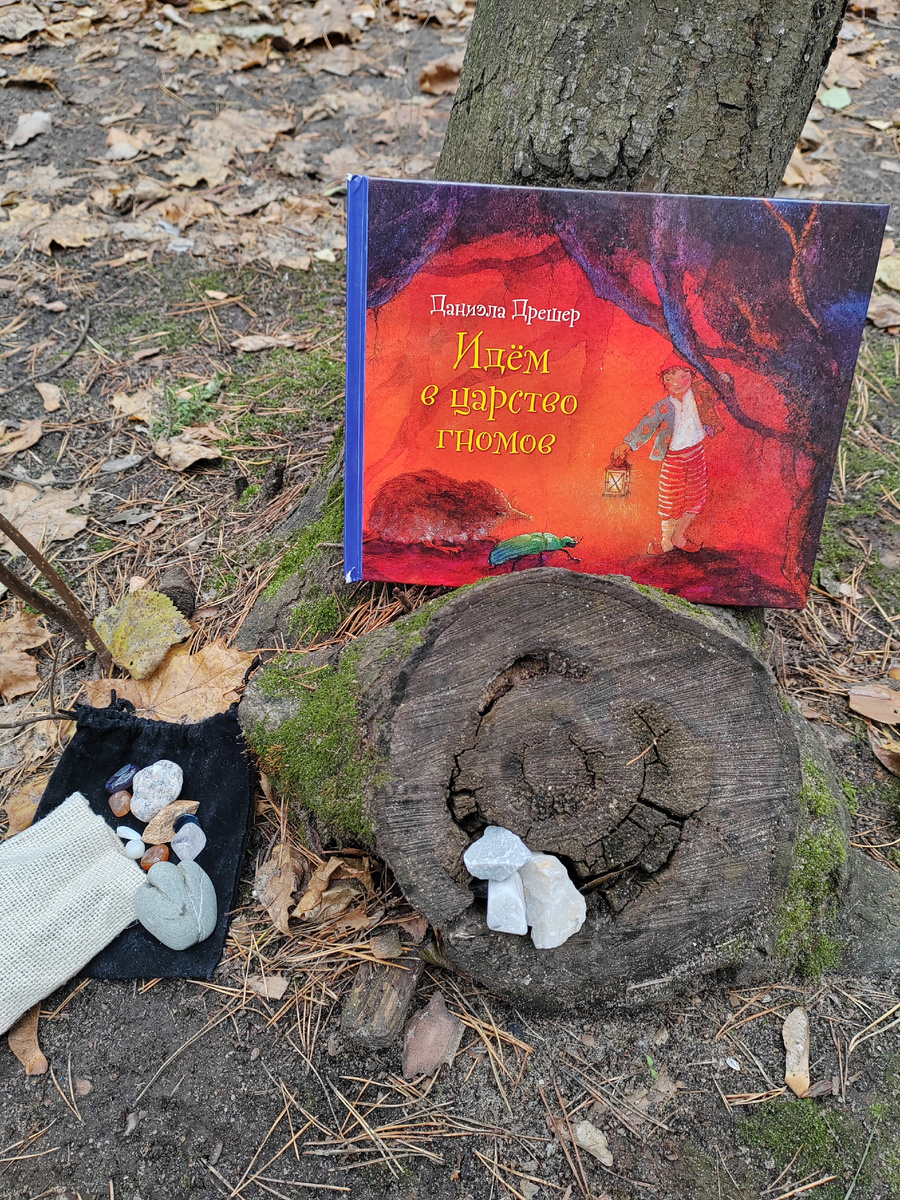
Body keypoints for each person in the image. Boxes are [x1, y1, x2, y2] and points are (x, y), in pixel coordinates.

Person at [613, 353, 723, 555]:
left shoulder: (700, 393)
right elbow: (646, 426)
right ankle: (666, 542)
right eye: (669, 378)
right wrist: (627, 444)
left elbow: (720, 382)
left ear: (692, 376)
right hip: (673, 459)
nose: (676, 383)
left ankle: (678, 536)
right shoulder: (664, 406)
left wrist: (724, 378)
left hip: (696, 455)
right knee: (670, 499)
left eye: (683, 376)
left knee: (696, 497)